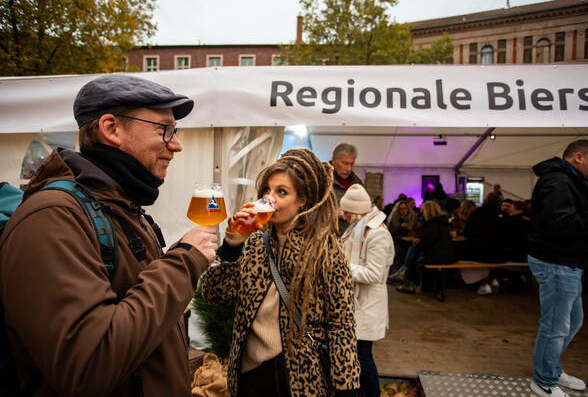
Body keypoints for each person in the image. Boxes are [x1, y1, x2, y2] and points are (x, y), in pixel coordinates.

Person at [0, 74, 218, 396]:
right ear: (111, 128)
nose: (176, 144)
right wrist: (184, 261)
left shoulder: (121, 207)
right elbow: (88, 365)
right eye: (164, 129)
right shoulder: (52, 216)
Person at [202, 147, 360, 397]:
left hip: (302, 379)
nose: (269, 199)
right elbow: (213, 296)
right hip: (249, 374)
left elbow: (341, 323)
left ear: (302, 201)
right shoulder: (253, 242)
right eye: (267, 190)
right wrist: (230, 246)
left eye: (281, 192)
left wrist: (345, 386)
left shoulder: (325, 249)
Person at [528, 139, 588, 397]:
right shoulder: (558, 182)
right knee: (556, 326)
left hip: (567, 263)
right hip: (557, 262)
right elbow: (560, 223)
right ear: (578, 157)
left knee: (572, 321)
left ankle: (552, 368)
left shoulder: (567, 181)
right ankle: (544, 380)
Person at [339, 184, 393, 397]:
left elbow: (374, 274)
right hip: (356, 304)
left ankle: (372, 394)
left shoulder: (377, 234)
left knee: (363, 356)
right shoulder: (358, 228)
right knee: (358, 354)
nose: (342, 215)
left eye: (345, 211)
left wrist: (340, 267)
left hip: (368, 305)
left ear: (354, 210)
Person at [395, 201, 455, 294]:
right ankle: (405, 274)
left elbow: (426, 243)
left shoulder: (433, 224)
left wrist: (419, 242)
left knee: (414, 251)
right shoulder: (441, 222)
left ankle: (408, 279)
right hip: (447, 254)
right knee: (414, 250)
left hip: (441, 255)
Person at [330, 142, 364, 234]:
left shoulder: (358, 184)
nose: (349, 168)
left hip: (351, 241)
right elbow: (307, 213)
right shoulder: (321, 181)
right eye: (345, 163)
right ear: (333, 160)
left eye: (352, 164)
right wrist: (334, 214)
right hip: (324, 242)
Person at [386, 200, 419, 277]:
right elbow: (390, 232)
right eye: (401, 209)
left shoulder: (413, 218)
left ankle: (405, 275)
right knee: (399, 253)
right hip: (397, 241)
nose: (403, 210)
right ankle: (395, 274)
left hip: (410, 241)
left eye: (404, 208)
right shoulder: (393, 219)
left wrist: (411, 229)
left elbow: (417, 231)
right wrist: (400, 227)